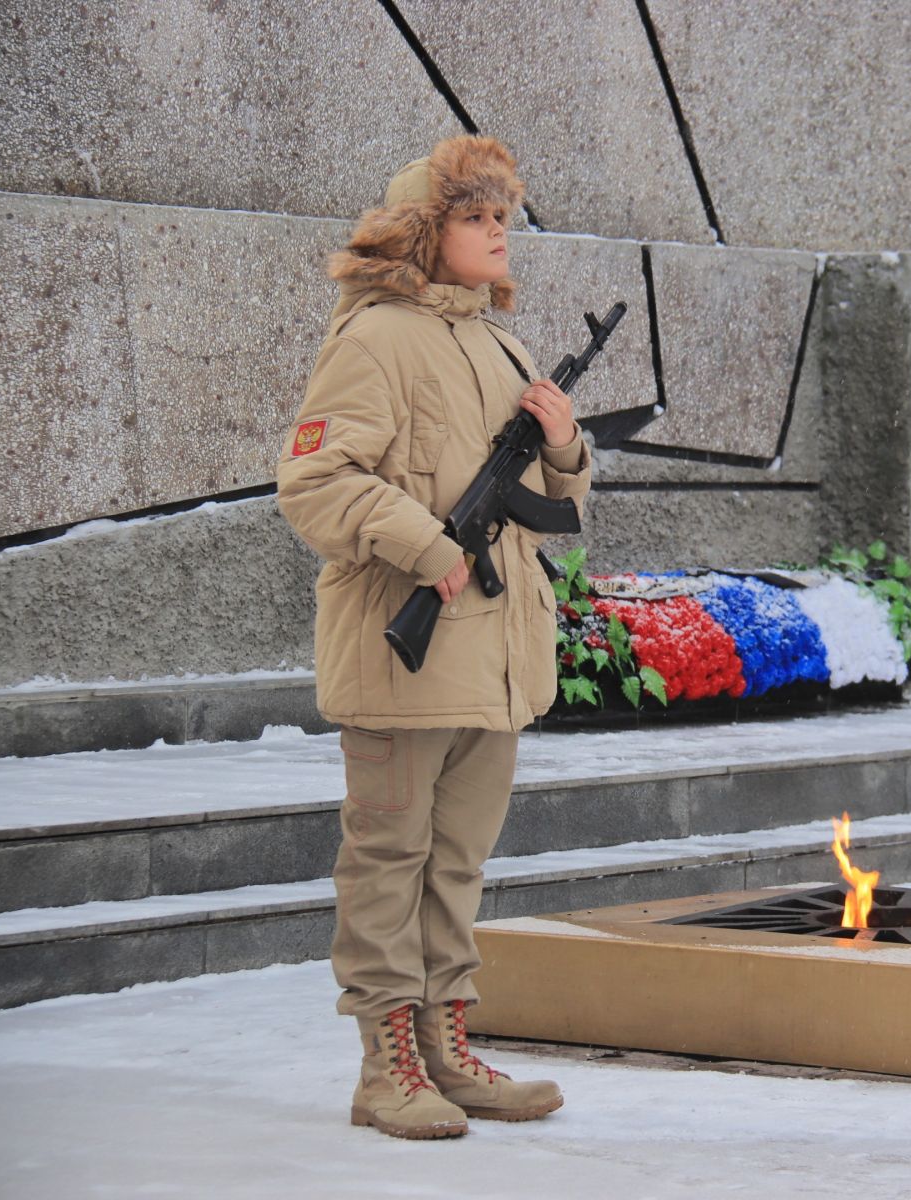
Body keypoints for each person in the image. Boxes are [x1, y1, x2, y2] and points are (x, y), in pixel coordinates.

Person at [277, 135, 588, 1138]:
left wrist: (564, 443)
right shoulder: (374, 338)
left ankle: (448, 1049)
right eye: (475, 217)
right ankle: (386, 1065)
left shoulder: (505, 348)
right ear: (426, 234)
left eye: (503, 216)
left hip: (494, 661)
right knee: (388, 859)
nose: (500, 234)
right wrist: (423, 546)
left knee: (456, 864)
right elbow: (315, 483)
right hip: (405, 653)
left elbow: (550, 504)